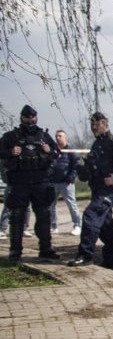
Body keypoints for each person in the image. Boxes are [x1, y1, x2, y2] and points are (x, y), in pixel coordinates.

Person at [68, 112, 113, 268]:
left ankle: (85, 255)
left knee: (90, 216)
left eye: (97, 124)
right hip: (97, 189)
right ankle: (112, 260)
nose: (94, 127)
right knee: (105, 227)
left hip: (109, 191)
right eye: (92, 124)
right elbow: (90, 170)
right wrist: (81, 168)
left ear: (105, 124)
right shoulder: (96, 145)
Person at [0, 105, 60, 261]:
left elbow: (57, 153)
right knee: (17, 216)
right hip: (20, 182)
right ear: (21, 117)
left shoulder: (44, 136)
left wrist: (49, 151)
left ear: (36, 117)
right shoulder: (11, 136)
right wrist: (10, 152)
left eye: (33, 117)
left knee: (44, 215)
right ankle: (15, 251)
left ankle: (46, 249)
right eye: (27, 117)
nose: (30, 120)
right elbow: (1, 151)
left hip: (41, 182)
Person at [49, 130, 83, 236]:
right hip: (53, 182)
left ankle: (77, 225)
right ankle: (53, 226)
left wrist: (70, 178)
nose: (58, 138)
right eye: (56, 136)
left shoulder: (71, 150)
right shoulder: (53, 150)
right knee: (50, 206)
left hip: (66, 183)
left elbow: (76, 164)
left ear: (65, 138)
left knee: (72, 205)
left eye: (60, 136)